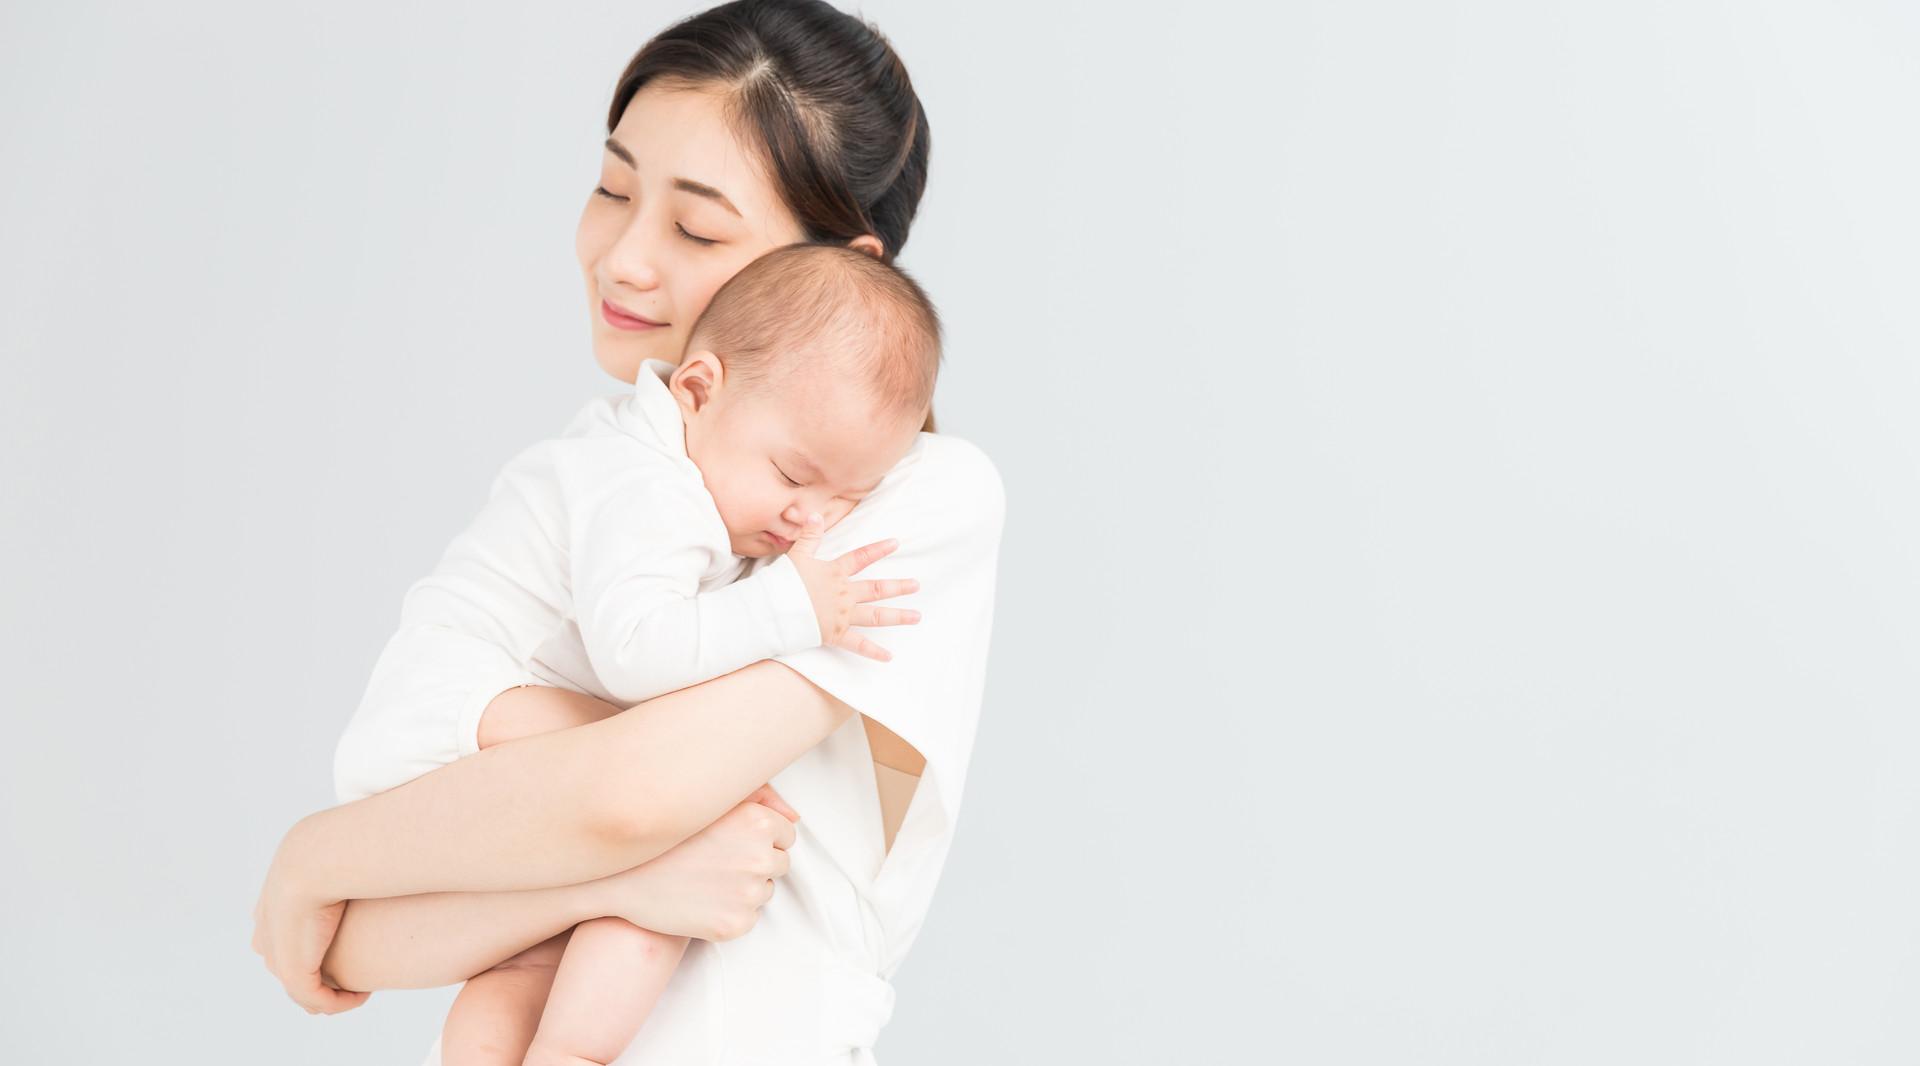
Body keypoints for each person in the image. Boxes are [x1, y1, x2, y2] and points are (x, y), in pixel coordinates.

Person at [252, 3, 1004, 1062]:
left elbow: (627, 793)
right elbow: (366, 942)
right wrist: (333, 872)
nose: (624, 257)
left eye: (698, 227)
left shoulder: (923, 503)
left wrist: (312, 859)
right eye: (612, 189)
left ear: (846, 269)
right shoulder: (618, 475)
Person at [340, 243, 943, 1066]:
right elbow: (636, 654)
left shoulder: (700, 462)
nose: (811, 519)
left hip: (465, 734)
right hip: (469, 707)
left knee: (529, 955)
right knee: (701, 808)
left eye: (846, 500)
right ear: (698, 390)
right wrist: (788, 606)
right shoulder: (648, 487)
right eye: (794, 475)